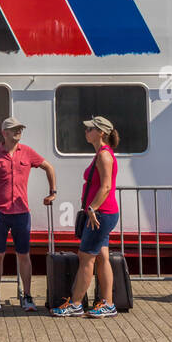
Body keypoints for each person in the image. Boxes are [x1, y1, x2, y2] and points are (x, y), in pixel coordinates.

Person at [0, 116, 56, 314]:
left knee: (24, 255)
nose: (18, 132)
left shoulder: (28, 153)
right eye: (14, 129)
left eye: (20, 129)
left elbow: (48, 167)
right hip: (0, 213)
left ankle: (28, 296)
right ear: (4, 133)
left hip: (22, 213)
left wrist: (53, 192)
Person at [51, 115, 120, 319]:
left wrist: (92, 208)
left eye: (90, 129)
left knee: (86, 257)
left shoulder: (104, 156)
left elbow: (106, 186)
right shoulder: (102, 153)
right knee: (102, 257)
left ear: (101, 132)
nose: (86, 132)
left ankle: (75, 304)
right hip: (103, 213)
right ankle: (107, 304)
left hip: (100, 215)